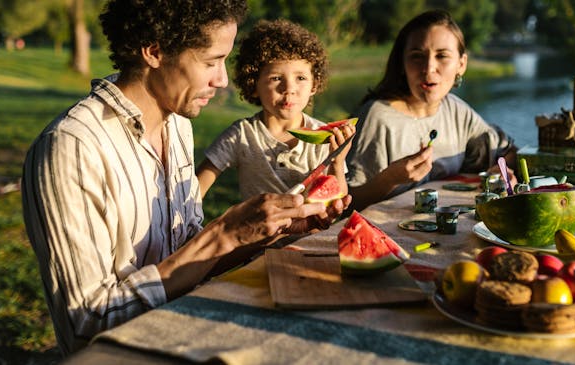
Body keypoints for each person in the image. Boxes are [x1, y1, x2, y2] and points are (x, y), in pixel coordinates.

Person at [21, 0, 350, 355]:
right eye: (211, 62)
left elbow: (187, 261)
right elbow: (85, 324)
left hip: (187, 336)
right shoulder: (71, 148)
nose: (222, 80)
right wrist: (220, 236)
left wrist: (268, 234)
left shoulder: (177, 124)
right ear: (154, 51)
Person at [346, 9, 517, 211]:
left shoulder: (455, 109)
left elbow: (506, 150)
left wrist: (503, 170)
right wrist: (390, 179)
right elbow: (346, 204)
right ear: (402, 64)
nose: (428, 68)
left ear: (461, 65)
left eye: (442, 56)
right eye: (417, 56)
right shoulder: (377, 117)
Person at [196, 19, 354, 200]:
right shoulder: (241, 135)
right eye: (276, 78)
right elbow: (197, 188)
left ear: (314, 86)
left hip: (313, 229)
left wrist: (337, 161)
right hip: (257, 228)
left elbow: (337, 200)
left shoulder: (324, 138)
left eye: (300, 78)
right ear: (253, 85)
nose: (289, 88)